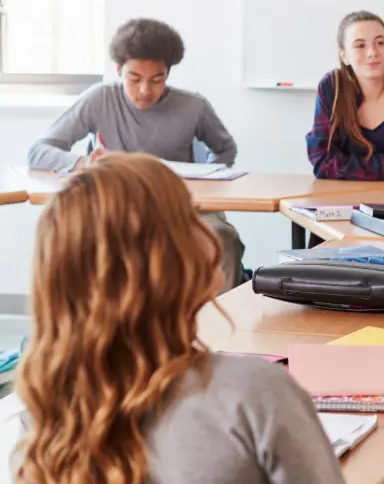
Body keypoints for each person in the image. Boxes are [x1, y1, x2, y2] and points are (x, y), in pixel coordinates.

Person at [0, 154, 380, 484]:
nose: (209, 231)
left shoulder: (52, 410)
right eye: (191, 216)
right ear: (165, 259)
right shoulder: (259, 392)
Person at [27, 18, 246, 291]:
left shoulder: (193, 106)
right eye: (134, 78)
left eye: (157, 79)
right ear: (119, 70)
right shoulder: (100, 99)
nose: (145, 91)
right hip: (115, 206)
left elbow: (225, 148)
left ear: (168, 73)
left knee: (222, 238)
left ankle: (221, 328)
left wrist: (208, 181)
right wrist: (84, 163)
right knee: (79, 237)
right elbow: (39, 151)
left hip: (181, 205)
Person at [306, 10, 384, 180]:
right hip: (342, 199)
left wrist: (351, 167)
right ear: (344, 56)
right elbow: (322, 162)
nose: (372, 52)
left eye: (380, 42)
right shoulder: (331, 86)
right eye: (360, 45)